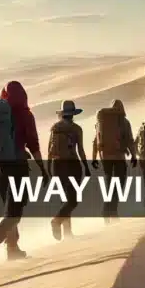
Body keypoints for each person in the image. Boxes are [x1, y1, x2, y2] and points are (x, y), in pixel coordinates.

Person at [0, 81, 46, 270]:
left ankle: (12, 248)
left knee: (9, 208)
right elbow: (33, 144)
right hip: (17, 167)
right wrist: (43, 168)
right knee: (15, 211)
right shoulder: (24, 114)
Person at [47, 100, 91, 240]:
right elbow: (81, 150)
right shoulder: (76, 129)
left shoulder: (55, 127)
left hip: (57, 165)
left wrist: (48, 168)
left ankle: (67, 232)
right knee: (74, 199)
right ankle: (57, 221)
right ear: (72, 114)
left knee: (65, 198)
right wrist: (86, 166)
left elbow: (49, 150)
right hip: (72, 164)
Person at [92, 99, 137, 221]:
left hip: (105, 157)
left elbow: (96, 140)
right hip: (118, 157)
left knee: (109, 184)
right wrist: (133, 155)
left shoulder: (102, 121)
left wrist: (94, 157)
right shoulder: (124, 121)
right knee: (120, 183)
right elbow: (129, 140)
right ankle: (111, 211)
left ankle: (108, 211)